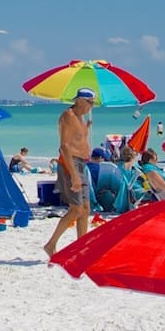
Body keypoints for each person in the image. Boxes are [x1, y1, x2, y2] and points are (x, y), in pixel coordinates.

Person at [44, 88, 98, 257]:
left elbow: (78, 140)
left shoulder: (81, 119)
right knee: (76, 209)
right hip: (70, 164)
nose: (91, 107)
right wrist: (74, 175)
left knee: (86, 208)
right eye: (90, 103)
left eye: (93, 104)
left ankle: (81, 247)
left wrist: (86, 129)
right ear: (80, 101)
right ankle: (51, 244)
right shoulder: (68, 116)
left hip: (82, 164)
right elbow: (65, 146)